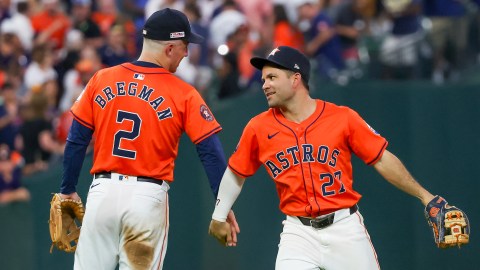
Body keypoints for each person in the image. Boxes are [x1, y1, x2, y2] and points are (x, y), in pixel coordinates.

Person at [208, 46, 439, 269]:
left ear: (295, 79)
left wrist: (425, 196)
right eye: (263, 80)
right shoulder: (258, 127)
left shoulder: (342, 117)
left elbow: (382, 159)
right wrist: (218, 215)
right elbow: (236, 173)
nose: (264, 85)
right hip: (298, 232)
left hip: (344, 227)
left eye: (271, 77)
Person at [56, 8, 238, 269]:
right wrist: (222, 208)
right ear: (170, 48)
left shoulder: (101, 78)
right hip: (146, 197)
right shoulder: (183, 92)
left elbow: (76, 139)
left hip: (101, 195)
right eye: (184, 46)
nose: (187, 53)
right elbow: (210, 153)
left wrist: (67, 190)